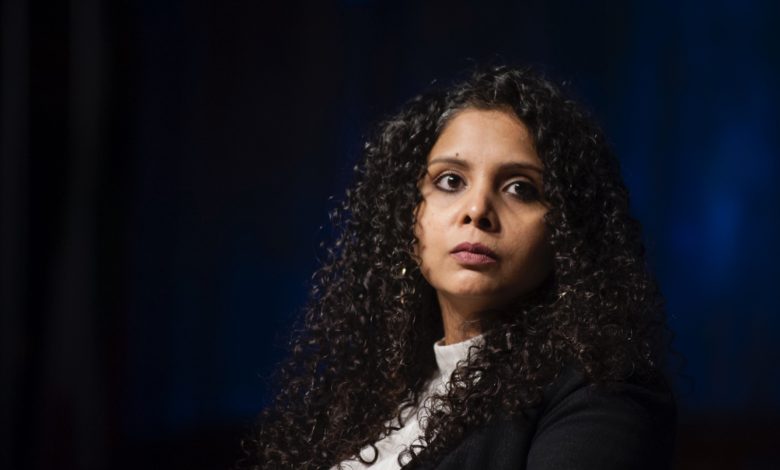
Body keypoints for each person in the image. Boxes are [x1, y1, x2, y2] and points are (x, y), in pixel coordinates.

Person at [239, 65, 677, 469]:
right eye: (450, 181)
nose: (477, 209)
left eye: (520, 188)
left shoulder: (603, 394)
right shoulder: (376, 397)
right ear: (409, 212)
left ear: (567, 230)